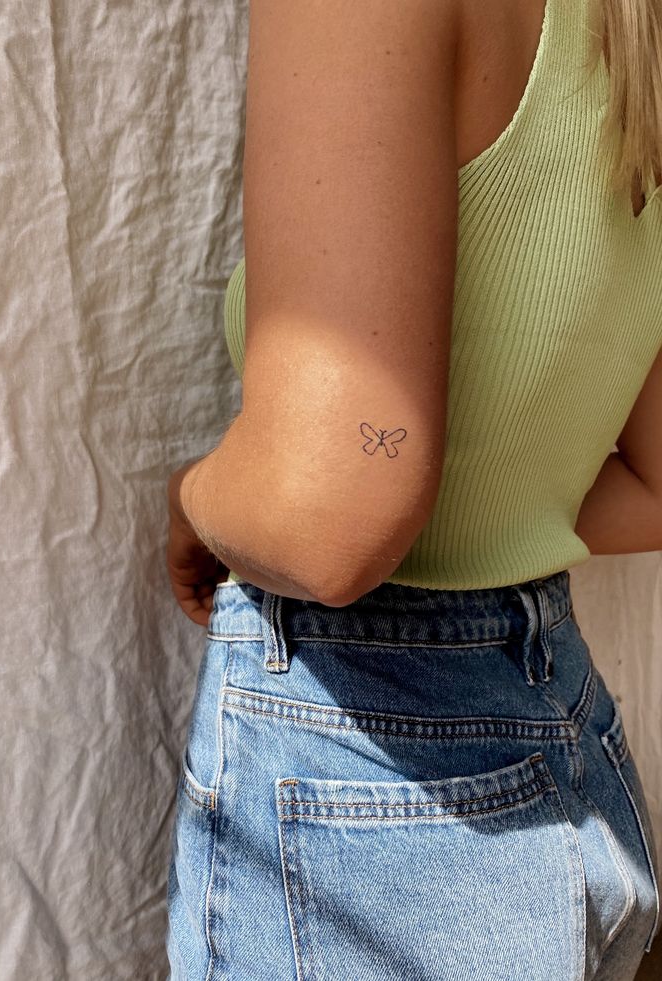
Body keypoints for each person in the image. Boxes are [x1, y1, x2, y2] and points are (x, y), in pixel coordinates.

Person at [165, 0, 662, 977]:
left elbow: (328, 521)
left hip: (375, 780)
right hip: (562, 741)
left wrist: (199, 501)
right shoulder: (628, 30)